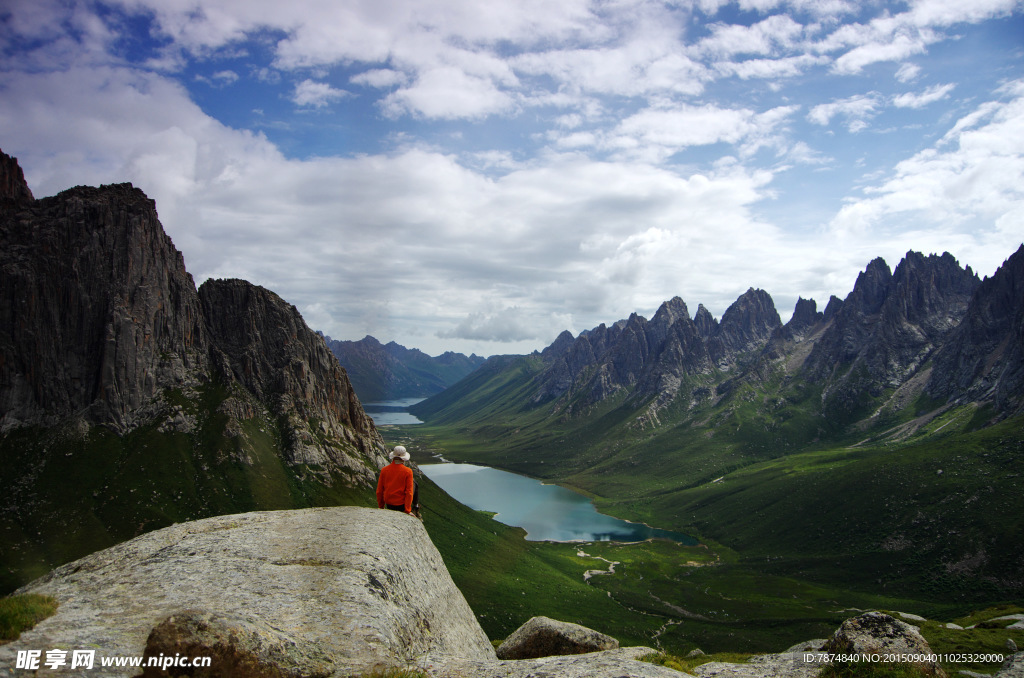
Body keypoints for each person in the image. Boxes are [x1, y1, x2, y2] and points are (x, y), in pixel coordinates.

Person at [377, 445, 416, 515]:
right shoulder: (408, 471)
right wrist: (407, 510)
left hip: (389, 503)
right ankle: (415, 506)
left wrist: (381, 506)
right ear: (403, 459)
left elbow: (379, 490)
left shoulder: (384, 470)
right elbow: (409, 492)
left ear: (393, 457)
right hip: (401, 505)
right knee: (415, 485)